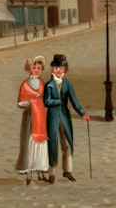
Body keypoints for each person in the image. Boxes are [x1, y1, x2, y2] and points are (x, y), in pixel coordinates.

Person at [43, 53, 89, 183]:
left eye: (61, 69)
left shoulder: (67, 84)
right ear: (53, 69)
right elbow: (46, 102)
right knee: (52, 144)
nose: (58, 71)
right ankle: (52, 173)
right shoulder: (49, 85)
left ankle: (67, 170)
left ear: (65, 70)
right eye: (56, 68)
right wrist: (56, 102)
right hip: (52, 116)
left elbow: (74, 101)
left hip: (64, 116)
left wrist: (82, 113)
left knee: (67, 143)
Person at [15, 55, 49, 185]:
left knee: (40, 145)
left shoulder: (41, 84)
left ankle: (40, 172)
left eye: (39, 68)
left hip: (40, 118)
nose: (36, 70)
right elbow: (20, 102)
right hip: (30, 117)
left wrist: (41, 105)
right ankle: (29, 173)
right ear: (30, 69)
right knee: (30, 144)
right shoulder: (25, 84)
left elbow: (44, 99)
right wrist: (31, 103)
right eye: (34, 67)